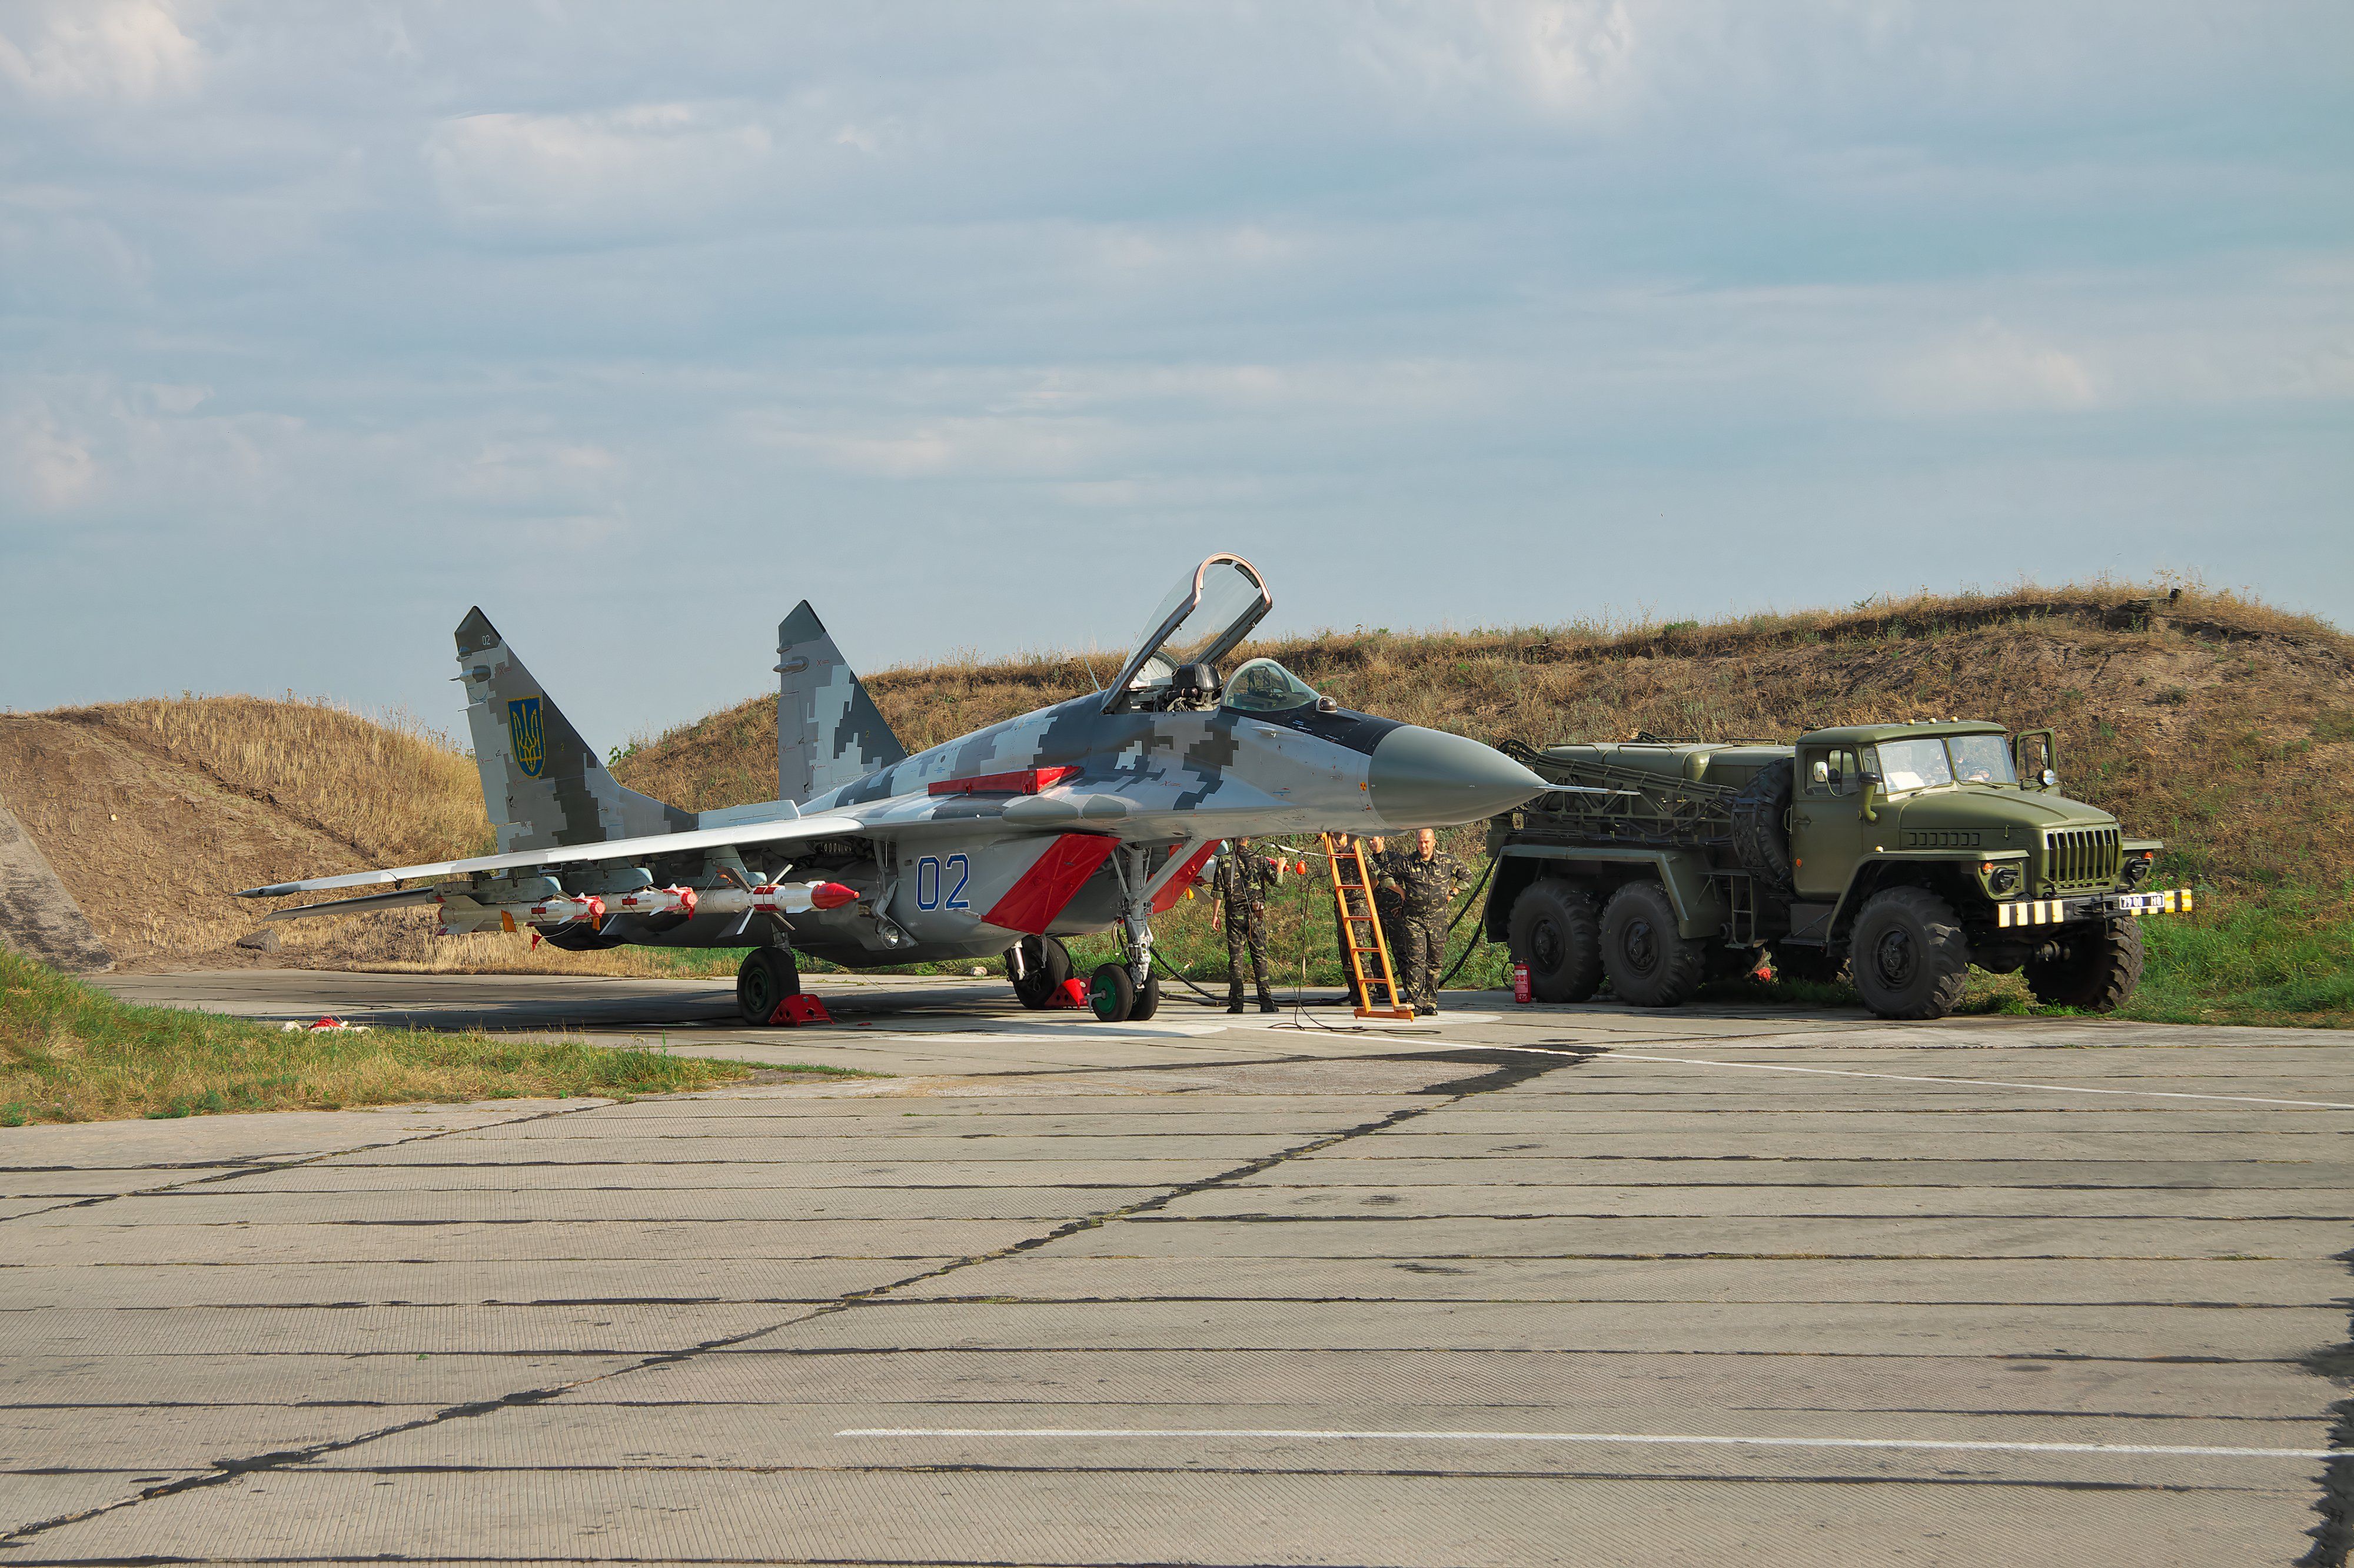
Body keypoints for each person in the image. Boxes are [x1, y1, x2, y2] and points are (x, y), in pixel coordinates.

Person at [1375, 827, 1469, 1016]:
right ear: (1416, 843)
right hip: (1413, 920)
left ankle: (1430, 1002)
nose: (1423, 845)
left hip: (1438, 920)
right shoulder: (1407, 863)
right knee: (1416, 961)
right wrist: (1401, 892)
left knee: (1435, 963)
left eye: (1427, 842)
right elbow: (1384, 875)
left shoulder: (1447, 861)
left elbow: (1466, 877)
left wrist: (1452, 893)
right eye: (1420, 842)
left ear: (1434, 842)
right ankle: (1415, 1002)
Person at [1211, 837, 1280, 1014]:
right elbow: (1277, 882)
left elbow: (1219, 892)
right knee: (1260, 958)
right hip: (1256, 917)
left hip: (1234, 916)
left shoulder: (1224, 861)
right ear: (1248, 840)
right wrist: (1280, 867)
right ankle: (1266, 1003)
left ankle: (1236, 1004)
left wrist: (1215, 915)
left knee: (1236, 961)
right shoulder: (1260, 859)